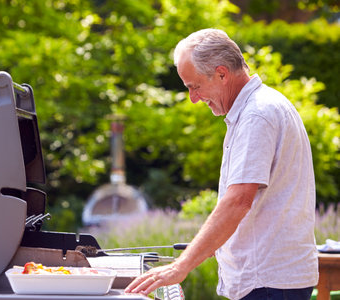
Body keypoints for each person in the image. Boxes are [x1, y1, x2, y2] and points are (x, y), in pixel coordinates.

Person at [124, 28, 318, 300]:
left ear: (222, 73)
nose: (193, 98)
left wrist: (180, 267)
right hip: (271, 282)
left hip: (268, 284)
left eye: (195, 86)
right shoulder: (258, 108)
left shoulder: (256, 115)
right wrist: (204, 248)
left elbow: (238, 201)